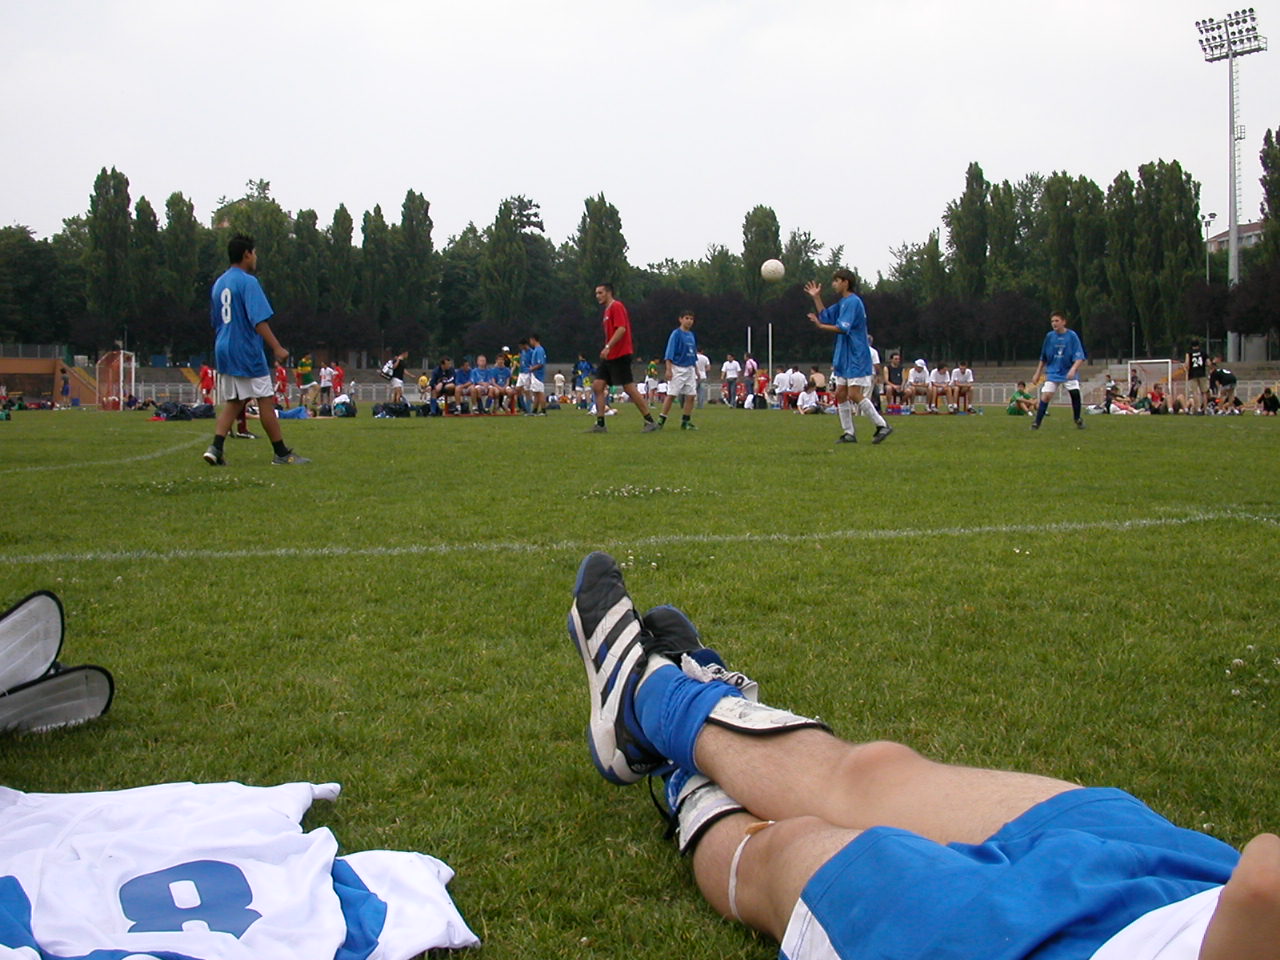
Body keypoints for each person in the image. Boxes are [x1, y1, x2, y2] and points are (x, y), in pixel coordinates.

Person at [566, 551, 1278, 960]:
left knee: (790, 851)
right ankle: (667, 711)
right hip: (1197, 881)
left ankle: (659, 716)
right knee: (876, 771)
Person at [202, 234, 308, 466]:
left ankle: (215, 448)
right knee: (265, 399)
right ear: (247, 254)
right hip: (245, 348)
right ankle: (281, 453)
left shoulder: (219, 283)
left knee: (235, 401)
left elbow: (215, 320)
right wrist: (277, 347)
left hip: (223, 347)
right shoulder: (248, 282)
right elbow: (258, 320)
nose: (256, 257)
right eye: (254, 253)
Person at [806, 270, 891, 445]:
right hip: (844, 355)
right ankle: (849, 433)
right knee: (840, 394)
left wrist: (821, 327)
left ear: (846, 282)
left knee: (854, 394)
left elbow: (843, 328)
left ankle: (882, 425)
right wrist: (816, 298)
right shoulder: (843, 302)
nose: (834, 284)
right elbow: (826, 316)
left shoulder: (853, 302)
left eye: (836, 281)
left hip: (855, 354)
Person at [588, 283, 658, 433]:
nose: (597, 296)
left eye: (600, 293)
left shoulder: (616, 306)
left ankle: (650, 421)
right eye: (596, 293)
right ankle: (600, 424)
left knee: (628, 388)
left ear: (609, 292)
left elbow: (621, 329)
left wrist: (608, 346)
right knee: (597, 386)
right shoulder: (607, 310)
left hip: (620, 354)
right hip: (610, 355)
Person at [1030, 312, 1087, 431]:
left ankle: (1077, 418)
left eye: (1057, 321)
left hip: (1067, 371)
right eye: (1052, 321)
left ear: (1064, 322)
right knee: (1046, 396)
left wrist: (1073, 369)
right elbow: (1043, 357)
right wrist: (1037, 373)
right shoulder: (1049, 337)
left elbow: (1080, 357)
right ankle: (1036, 423)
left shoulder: (1072, 336)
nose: (1054, 323)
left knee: (1075, 393)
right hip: (1053, 372)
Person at [657, 309, 699, 431]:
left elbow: (693, 354)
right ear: (680, 319)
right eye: (687, 318)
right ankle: (661, 421)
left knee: (691, 396)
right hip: (678, 368)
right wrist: (668, 369)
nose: (689, 321)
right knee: (672, 395)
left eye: (691, 319)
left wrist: (696, 369)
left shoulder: (691, 335)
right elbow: (669, 353)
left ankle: (686, 421)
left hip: (689, 368)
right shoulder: (676, 334)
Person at [1185, 339, 1209, 415]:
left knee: (1195, 392)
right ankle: (1205, 409)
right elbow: (1208, 363)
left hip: (1193, 374)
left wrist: (1186, 368)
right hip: (1202, 373)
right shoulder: (1203, 352)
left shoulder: (1189, 352)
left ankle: (1198, 408)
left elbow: (1187, 364)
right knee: (1204, 392)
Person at [526, 334, 547, 416]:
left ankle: (543, 410)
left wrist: (532, 368)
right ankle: (534, 410)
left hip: (538, 374)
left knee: (540, 392)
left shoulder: (539, 350)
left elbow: (540, 363)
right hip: (535, 374)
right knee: (536, 393)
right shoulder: (537, 349)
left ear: (533, 339)